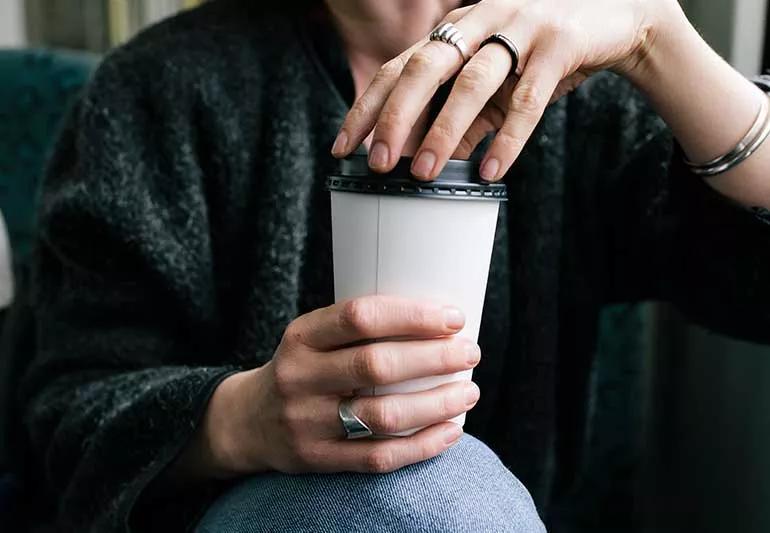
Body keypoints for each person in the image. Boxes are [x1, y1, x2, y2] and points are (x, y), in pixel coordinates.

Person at [7, 0, 770, 530]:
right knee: (427, 493)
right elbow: (65, 417)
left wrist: (655, 37)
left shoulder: (573, 88)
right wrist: (245, 418)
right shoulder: (155, 91)